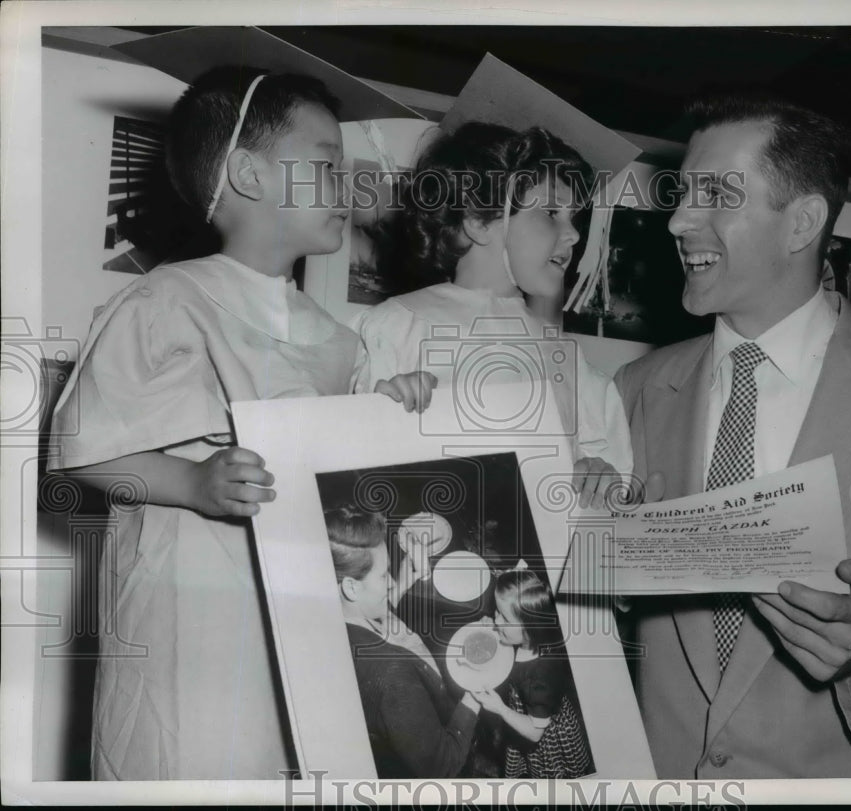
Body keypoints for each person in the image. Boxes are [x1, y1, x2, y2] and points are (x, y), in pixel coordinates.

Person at [46, 67, 433, 780]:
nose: (345, 187)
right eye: (325, 165)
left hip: (299, 621)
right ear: (250, 173)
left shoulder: (340, 338)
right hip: (187, 623)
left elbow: (341, 484)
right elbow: (77, 454)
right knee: (186, 761)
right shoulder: (169, 301)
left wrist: (390, 412)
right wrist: (191, 482)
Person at [614, 95, 851, 777]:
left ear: (802, 222)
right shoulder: (634, 390)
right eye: (682, 193)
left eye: (714, 195)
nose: (678, 220)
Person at [351, 122, 633, 504]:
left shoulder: (564, 357)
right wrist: (382, 417)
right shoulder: (396, 325)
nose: (574, 235)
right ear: (478, 220)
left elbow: (606, 476)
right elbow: (354, 471)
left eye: (574, 218)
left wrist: (599, 473)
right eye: (551, 211)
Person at [325, 504, 482, 778]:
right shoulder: (392, 675)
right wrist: (474, 695)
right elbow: (441, 765)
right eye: (384, 575)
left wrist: (399, 587)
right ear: (351, 587)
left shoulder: (338, 622)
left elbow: (369, 618)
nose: (390, 582)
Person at [472, 567, 594, 778]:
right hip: (533, 705)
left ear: (529, 628)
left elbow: (535, 733)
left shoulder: (539, 678)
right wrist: (495, 626)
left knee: (552, 774)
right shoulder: (532, 637)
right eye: (497, 611)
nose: (497, 618)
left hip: (544, 731)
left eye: (505, 619)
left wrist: (500, 708)